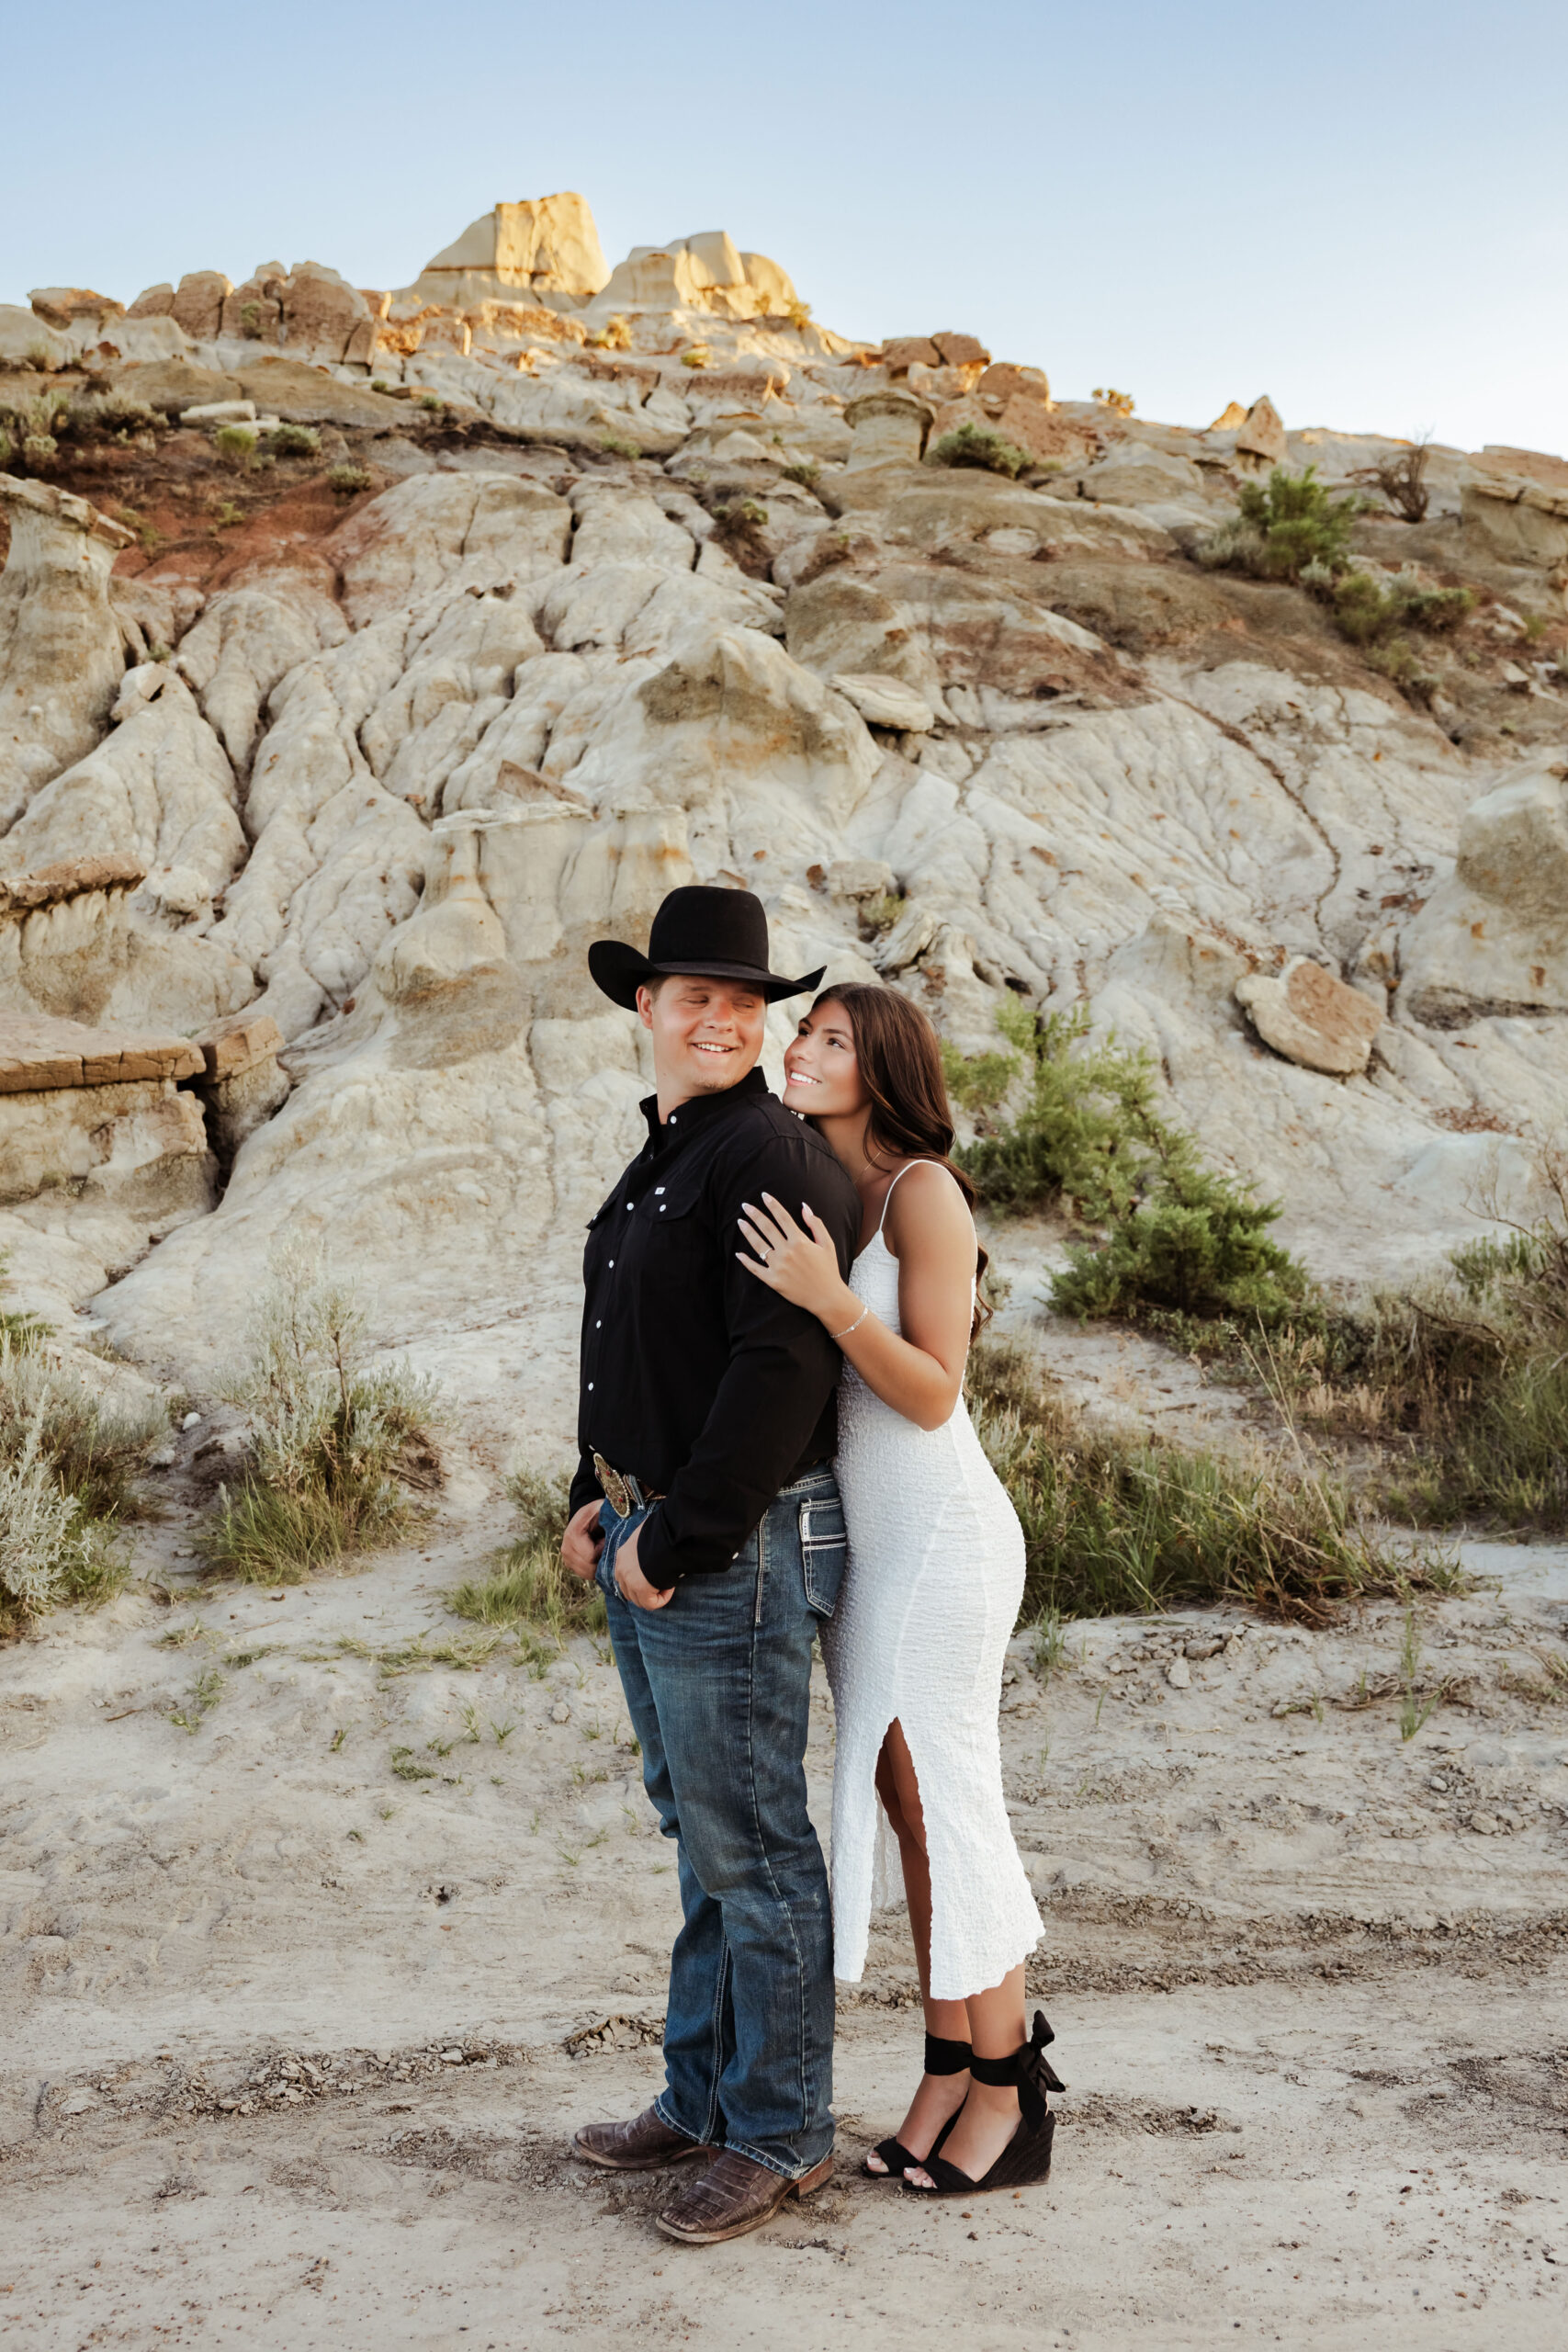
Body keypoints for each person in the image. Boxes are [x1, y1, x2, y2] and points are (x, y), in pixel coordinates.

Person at [561, 885, 862, 2246]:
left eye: (745, 1000)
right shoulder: (672, 1148)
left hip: (719, 1552)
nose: (723, 1018)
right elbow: (634, 1342)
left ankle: (782, 2130)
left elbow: (776, 1376)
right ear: (648, 1005)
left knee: (753, 1844)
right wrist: (593, 1495)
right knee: (701, 1833)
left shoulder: (768, 1159)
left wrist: (678, 1540)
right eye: (697, 996)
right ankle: (699, 2098)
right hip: (649, 1531)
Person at [735, 982, 1064, 2199]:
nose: (801, 1050)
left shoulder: (923, 1191)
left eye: (831, 1039)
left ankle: (1013, 2095)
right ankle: (946, 2070)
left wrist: (828, 1297)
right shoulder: (826, 1186)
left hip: (943, 1537)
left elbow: (932, 1391)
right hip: (870, 1548)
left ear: (881, 1067)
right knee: (910, 1812)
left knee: (953, 1803)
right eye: (803, 1033)